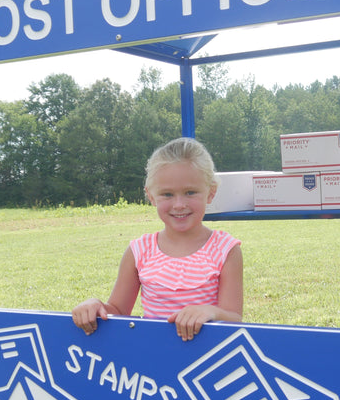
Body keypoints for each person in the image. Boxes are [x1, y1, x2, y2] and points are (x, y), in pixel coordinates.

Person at [72, 137, 243, 341]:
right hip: (153, 360)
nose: (179, 204)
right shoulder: (139, 251)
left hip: (208, 362)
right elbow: (117, 310)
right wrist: (94, 306)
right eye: (167, 194)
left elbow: (234, 319)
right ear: (151, 196)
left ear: (211, 192)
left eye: (190, 192)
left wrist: (210, 312)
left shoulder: (226, 250)